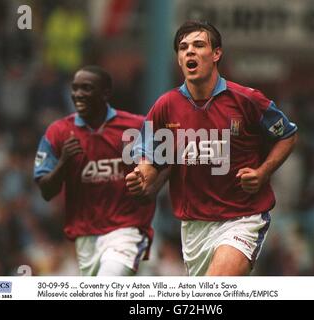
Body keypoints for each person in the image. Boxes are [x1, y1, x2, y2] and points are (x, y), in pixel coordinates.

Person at [126, 21, 298, 276]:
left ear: (216, 53)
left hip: (242, 219)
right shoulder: (166, 106)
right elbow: (148, 155)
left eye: (198, 45)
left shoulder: (247, 100)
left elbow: (287, 135)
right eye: (183, 48)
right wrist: (142, 174)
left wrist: (263, 172)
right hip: (193, 228)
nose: (190, 52)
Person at [33, 65, 157, 276]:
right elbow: (46, 191)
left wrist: (150, 187)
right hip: (85, 237)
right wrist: (64, 163)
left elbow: (166, 162)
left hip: (127, 230)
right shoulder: (59, 132)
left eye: (87, 88)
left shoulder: (136, 127)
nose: (78, 94)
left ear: (105, 93)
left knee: (107, 282)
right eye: (75, 88)